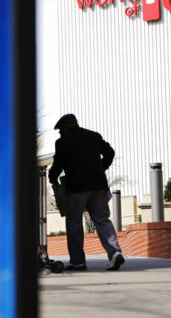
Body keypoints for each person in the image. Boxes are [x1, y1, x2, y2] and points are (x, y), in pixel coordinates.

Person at [48, 114, 124, 271]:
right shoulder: (93, 136)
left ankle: (78, 261)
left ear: (67, 126)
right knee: (102, 220)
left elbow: (58, 163)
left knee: (74, 223)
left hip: (77, 188)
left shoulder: (62, 142)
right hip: (99, 186)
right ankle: (115, 253)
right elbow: (109, 152)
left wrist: (52, 178)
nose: (60, 133)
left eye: (61, 129)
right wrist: (101, 168)